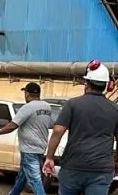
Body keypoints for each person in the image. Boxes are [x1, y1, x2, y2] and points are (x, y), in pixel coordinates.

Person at [43, 60, 118, 195]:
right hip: (101, 169)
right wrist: (116, 162)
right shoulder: (115, 109)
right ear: (107, 85)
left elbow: (58, 131)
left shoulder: (72, 104)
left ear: (86, 83)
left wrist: (49, 157)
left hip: (73, 167)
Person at [0, 82, 53, 195]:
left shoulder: (27, 107)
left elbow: (12, 125)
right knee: (22, 177)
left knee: (34, 180)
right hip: (40, 147)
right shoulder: (47, 106)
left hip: (29, 150)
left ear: (27, 94)